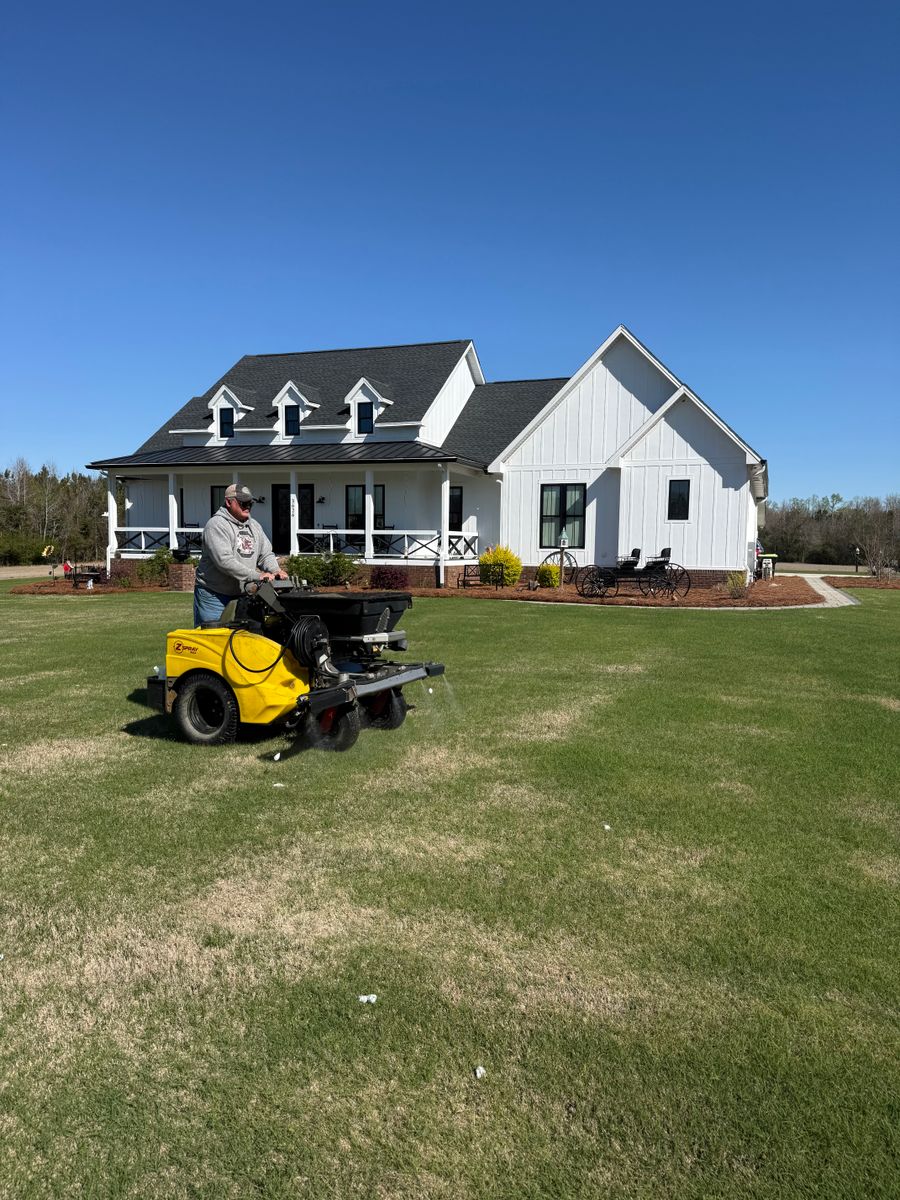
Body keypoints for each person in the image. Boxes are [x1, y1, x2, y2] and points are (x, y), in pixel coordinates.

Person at [193, 483, 287, 625]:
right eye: (243, 503)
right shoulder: (216, 525)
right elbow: (224, 561)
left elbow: (265, 554)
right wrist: (257, 575)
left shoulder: (254, 526)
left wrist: (275, 570)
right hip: (214, 595)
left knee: (245, 638)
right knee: (213, 639)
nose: (247, 506)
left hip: (243, 594)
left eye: (250, 503)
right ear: (228, 502)